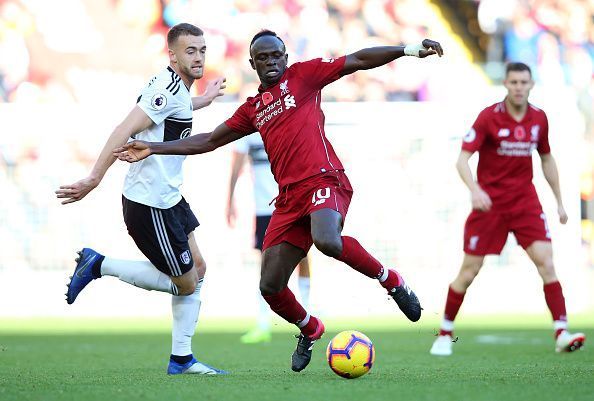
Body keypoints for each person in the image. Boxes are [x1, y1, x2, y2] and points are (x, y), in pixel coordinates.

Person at [114, 30, 444, 372]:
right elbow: (210, 140)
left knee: (327, 240)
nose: (272, 62)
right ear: (253, 63)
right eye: (264, 58)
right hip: (288, 199)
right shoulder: (254, 109)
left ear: (285, 57)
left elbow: (357, 60)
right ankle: (309, 328)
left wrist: (408, 50)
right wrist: (154, 147)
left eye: (277, 56)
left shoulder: (305, 76)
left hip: (323, 179)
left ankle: (391, 280)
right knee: (270, 287)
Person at [55, 23, 228, 375]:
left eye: (202, 50)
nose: (197, 56)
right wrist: (94, 178)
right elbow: (123, 130)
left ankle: (182, 359)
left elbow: (174, 111)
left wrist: (204, 100)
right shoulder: (164, 88)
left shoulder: (177, 90)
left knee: (199, 268)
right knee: (187, 281)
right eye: (190, 51)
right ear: (173, 54)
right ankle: (99, 264)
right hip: (150, 205)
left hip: (169, 197)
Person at [430, 62, 586, 356]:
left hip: (525, 201)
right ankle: (444, 333)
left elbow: (547, 159)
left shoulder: (539, 118)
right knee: (469, 271)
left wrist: (560, 202)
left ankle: (562, 332)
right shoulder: (489, 117)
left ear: (531, 85)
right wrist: (475, 190)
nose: (518, 87)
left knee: (547, 262)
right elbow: (462, 159)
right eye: (513, 82)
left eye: (523, 82)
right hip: (490, 205)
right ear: (506, 84)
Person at [227, 133, 312, 344]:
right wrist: (229, 201)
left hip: (293, 203)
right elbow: (236, 165)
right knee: (266, 262)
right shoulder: (248, 128)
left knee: (302, 255)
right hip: (263, 207)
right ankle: (263, 323)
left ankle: (309, 309)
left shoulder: (287, 120)